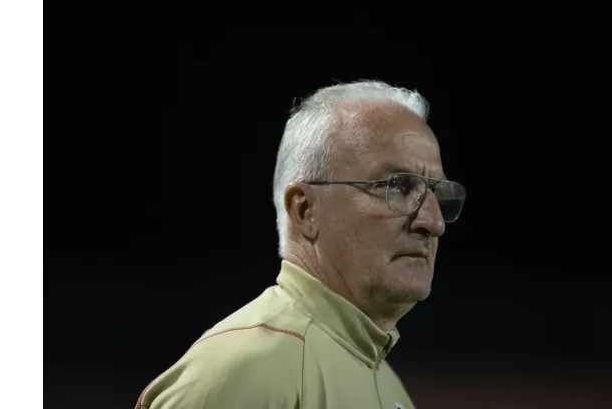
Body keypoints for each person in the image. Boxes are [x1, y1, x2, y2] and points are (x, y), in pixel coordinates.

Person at [134, 80, 466, 408]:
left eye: (437, 193)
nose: (433, 223)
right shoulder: (247, 371)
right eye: (399, 186)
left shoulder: (381, 376)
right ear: (305, 210)